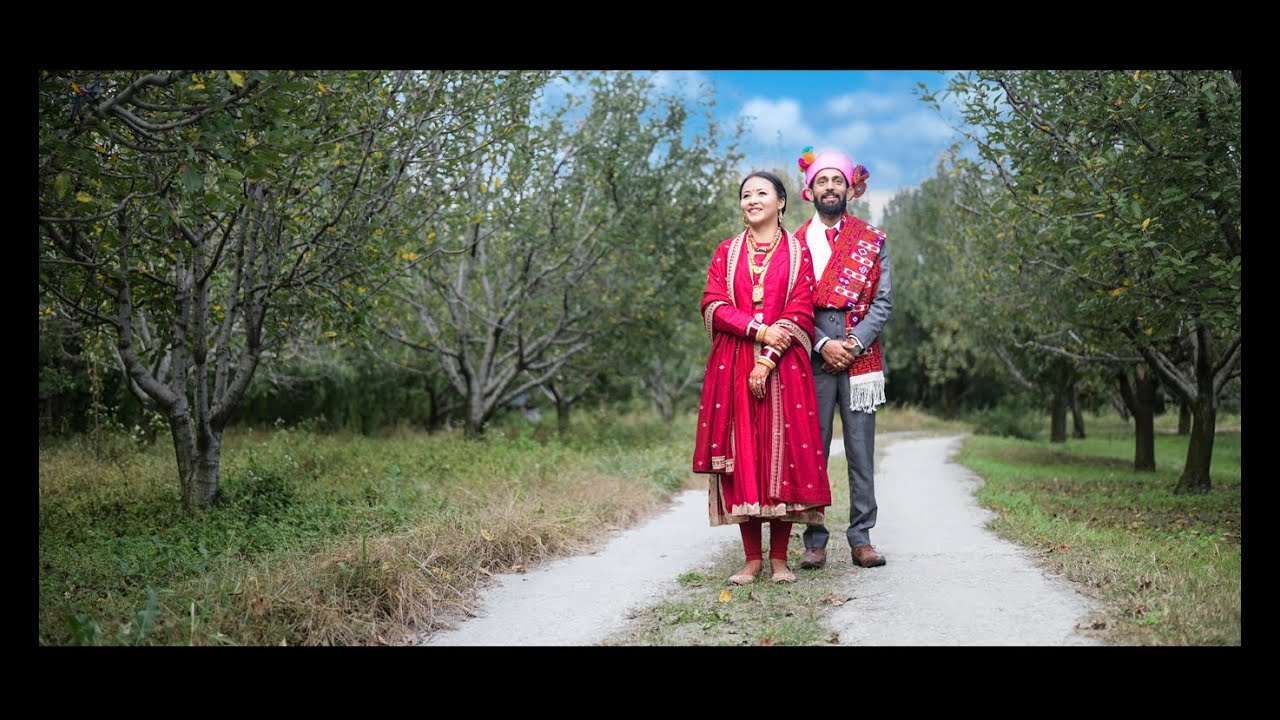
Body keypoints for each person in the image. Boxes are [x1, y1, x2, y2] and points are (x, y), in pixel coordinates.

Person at [692, 171, 830, 585]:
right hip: (732, 364)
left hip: (783, 368)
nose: (752, 200)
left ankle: (780, 560)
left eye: (761, 193)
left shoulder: (798, 252)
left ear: (781, 202)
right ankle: (752, 559)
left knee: (781, 455)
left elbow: (801, 310)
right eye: (746, 195)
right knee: (744, 455)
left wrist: (768, 356)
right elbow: (712, 305)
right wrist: (757, 331)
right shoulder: (726, 252)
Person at [790, 147, 892, 570]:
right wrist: (821, 343)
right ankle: (814, 538)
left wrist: (850, 345)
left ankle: (861, 537)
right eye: (822, 181)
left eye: (837, 181)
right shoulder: (792, 242)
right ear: (809, 189)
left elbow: (883, 303)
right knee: (810, 448)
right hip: (809, 356)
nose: (830, 187)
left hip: (860, 357)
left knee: (860, 450)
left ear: (851, 188)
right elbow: (788, 303)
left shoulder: (872, 239)